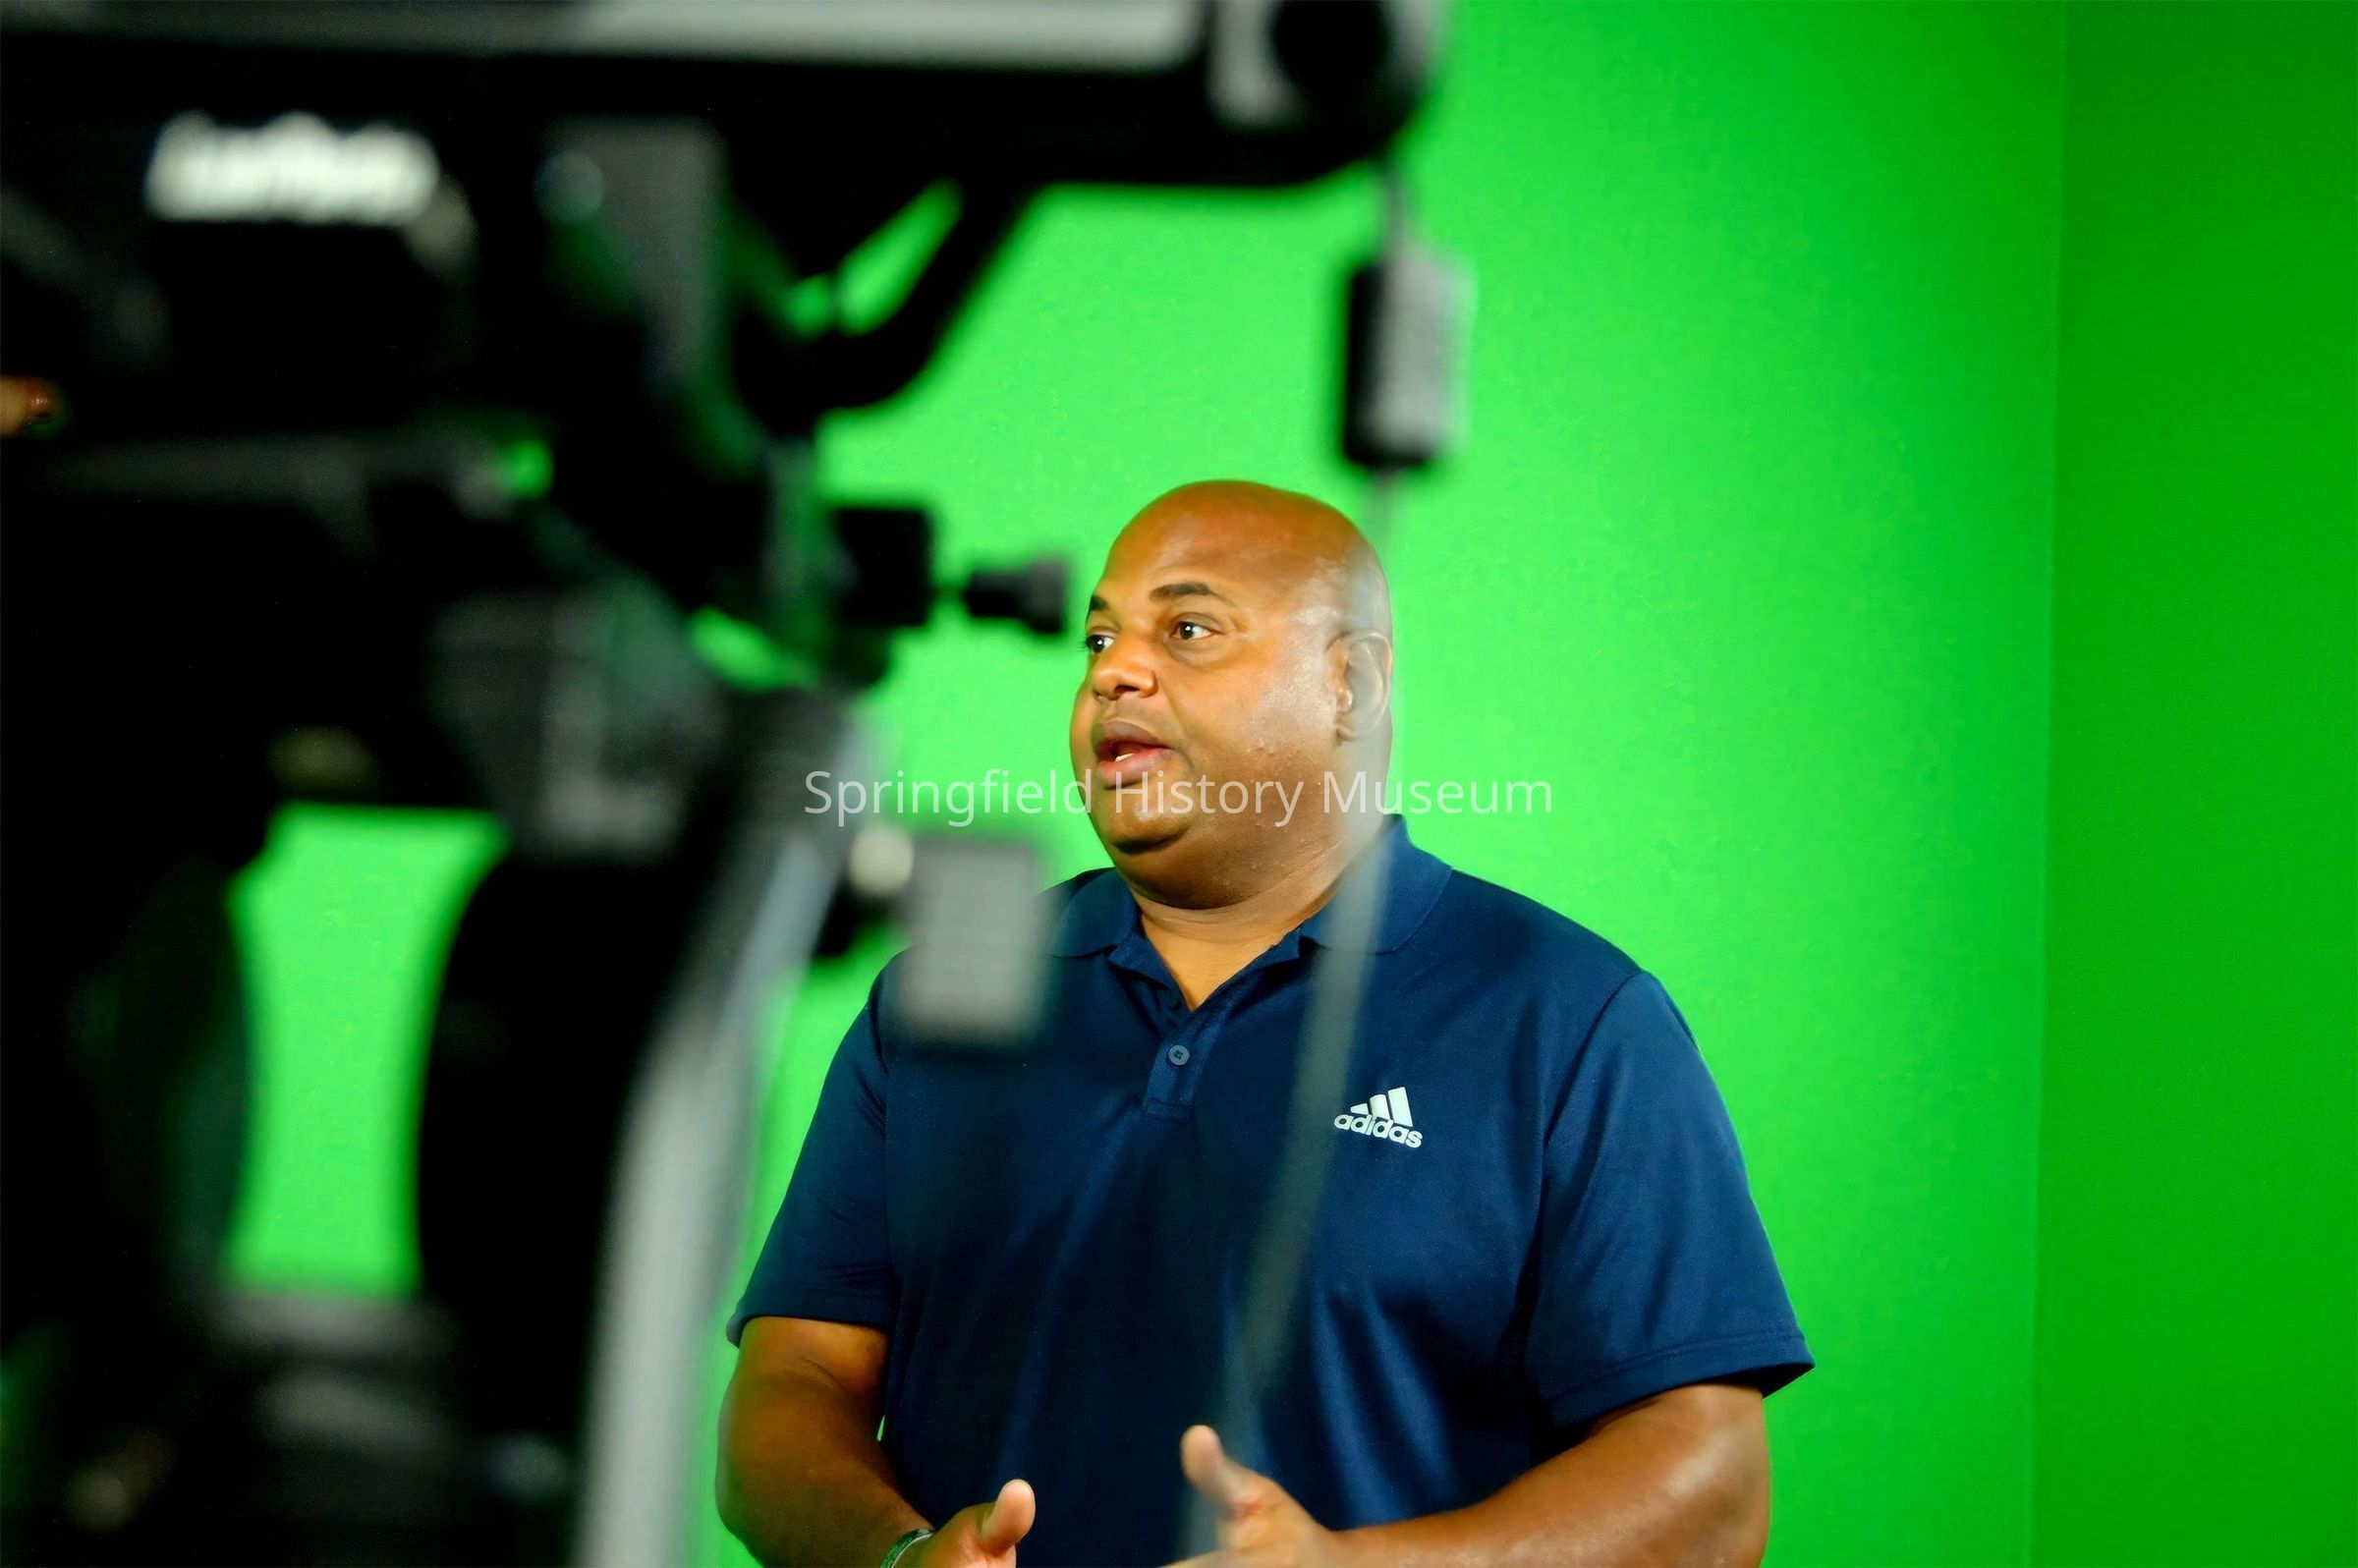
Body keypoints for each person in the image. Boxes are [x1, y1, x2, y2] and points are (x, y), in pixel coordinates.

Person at [717, 479, 1815, 1567]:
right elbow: (791, 1386)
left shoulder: (1571, 1018)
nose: (1114, 672)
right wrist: (901, 1557)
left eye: (1188, 630)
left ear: (1351, 685)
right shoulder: (937, 999)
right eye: (1098, 639)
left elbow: (1711, 1489)